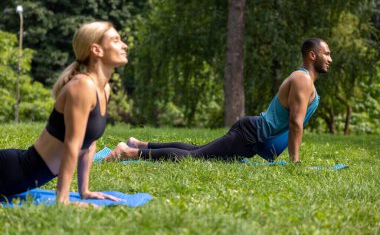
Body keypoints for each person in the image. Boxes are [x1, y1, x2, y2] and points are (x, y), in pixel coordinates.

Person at [105, 38, 332, 163]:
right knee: (195, 158)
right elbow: (295, 123)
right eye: (326, 53)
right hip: (250, 133)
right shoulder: (302, 80)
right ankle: (129, 152)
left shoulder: (306, 81)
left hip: (251, 133)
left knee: (198, 150)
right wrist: (295, 161)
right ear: (312, 55)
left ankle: (139, 144)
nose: (330, 59)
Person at [0, 21, 128, 205]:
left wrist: (84, 191)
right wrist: (63, 199)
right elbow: (72, 144)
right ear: (96, 50)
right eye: (116, 40)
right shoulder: (82, 86)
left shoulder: (103, 88)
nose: (124, 45)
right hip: (10, 171)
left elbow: (88, 143)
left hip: (20, 179)